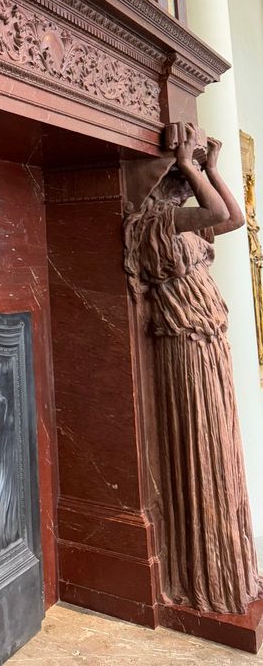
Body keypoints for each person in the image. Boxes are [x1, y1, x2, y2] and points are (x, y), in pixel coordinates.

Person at [124, 123, 261, 614]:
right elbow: (219, 212)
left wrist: (212, 169)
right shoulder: (155, 221)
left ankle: (232, 569)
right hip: (184, 348)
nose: (185, 186)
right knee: (201, 443)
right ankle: (203, 570)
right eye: (179, 179)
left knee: (219, 441)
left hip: (208, 340)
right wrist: (189, 163)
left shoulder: (181, 221)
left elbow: (231, 220)